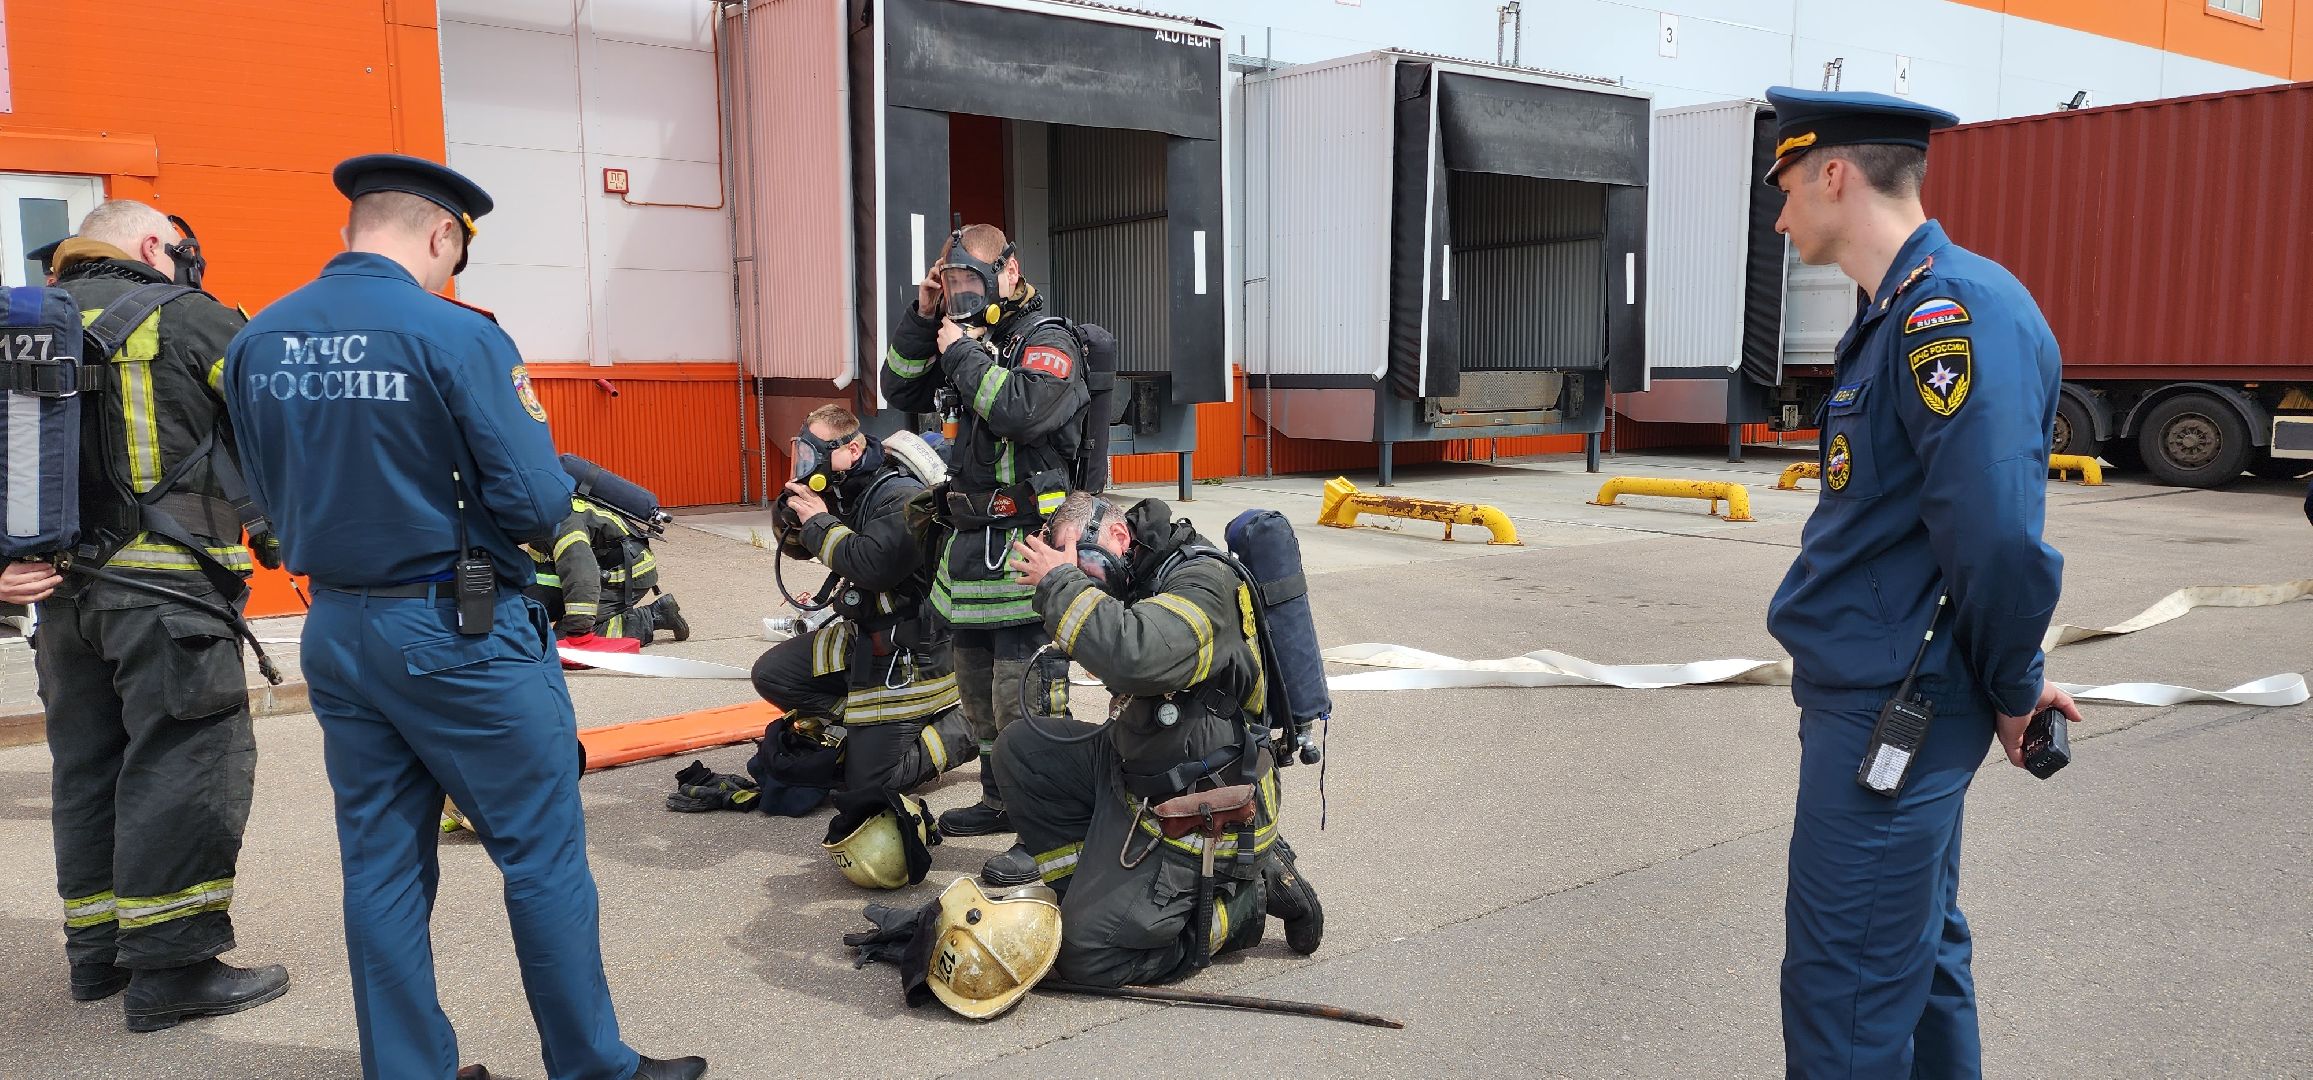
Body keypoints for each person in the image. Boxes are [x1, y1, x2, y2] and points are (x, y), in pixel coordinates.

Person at [222, 153, 704, 1080]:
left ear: (354, 226)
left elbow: (261, 491)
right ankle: (591, 1066)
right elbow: (534, 498)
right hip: (458, 629)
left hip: (339, 626)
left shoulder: (260, 337)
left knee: (381, 865)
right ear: (443, 234)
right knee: (541, 853)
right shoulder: (456, 335)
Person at [1762, 87, 2083, 1079]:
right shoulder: (1894, 313)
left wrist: (2016, 684)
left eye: (1784, 187)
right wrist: (2009, 680)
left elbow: (1995, 537)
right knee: (1916, 954)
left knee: (1846, 992)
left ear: (1833, 175)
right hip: (1887, 691)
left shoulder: (1949, 312)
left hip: (1893, 702)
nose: (1779, 218)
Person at [6, 201, 290, 1030]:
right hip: (169, 600)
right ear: (150, 245)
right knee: (185, 764)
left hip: (60, 601)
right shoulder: (194, 318)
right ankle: (174, 969)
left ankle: (97, 957)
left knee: (89, 769)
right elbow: (283, 429)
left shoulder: (25, 330)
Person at [994, 493, 1322, 987]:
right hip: (1143, 762)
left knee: (1087, 956)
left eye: (1081, 560)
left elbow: (1138, 657)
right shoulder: (1140, 572)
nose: (1081, 575)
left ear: (1118, 535)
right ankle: (1088, 892)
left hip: (1202, 797)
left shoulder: (1203, 581)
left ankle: (1247, 903)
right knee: (1023, 752)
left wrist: (1060, 583)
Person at [880, 223, 1090, 838]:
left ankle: (1046, 826)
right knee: (977, 696)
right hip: (971, 549)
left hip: (1028, 545)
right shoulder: (965, 337)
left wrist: (961, 352)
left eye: (970, 281)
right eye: (952, 284)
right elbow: (900, 386)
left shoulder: (1047, 339)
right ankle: (1001, 801)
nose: (962, 296)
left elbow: (1022, 411)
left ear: (1010, 271)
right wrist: (924, 316)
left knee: (1025, 697)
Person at [738, 405, 975, 805]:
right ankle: (866, 727)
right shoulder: (846, 489)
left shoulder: (902, 496)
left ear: (852, 449)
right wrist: (791, 515)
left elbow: (871, 566)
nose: (807, 462)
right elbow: (799, 549)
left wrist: (819, 521)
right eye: (803, 452)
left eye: (816, 452)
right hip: (864, 634)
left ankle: (971, 723)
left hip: (912, 652)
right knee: (772, 675)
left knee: (871, 786)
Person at [524, 494, 689, 648]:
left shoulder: (564, 524)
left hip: (626, 576)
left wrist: (577, 630)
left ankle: (654, 616)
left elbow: (582, 579)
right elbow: (537, 567)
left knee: (562, 642)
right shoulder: (542, 515)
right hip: (597, 570)